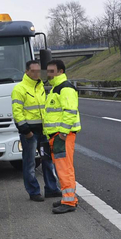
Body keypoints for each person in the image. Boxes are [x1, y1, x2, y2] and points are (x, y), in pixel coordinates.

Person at [11, 60, 60, 202]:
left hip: (44, 132)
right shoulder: (19, 89)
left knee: (47, 161)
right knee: (30, 163)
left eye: (39, 71)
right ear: (27, 71)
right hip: (30, 134)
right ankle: (33, 191)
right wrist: (26, 131)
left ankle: (51, 189)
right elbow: (17, 112)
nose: (37, 74)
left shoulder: (40, 87)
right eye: (34, 71)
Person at [44, 60, 82, 214]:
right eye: (48, 71)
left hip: (62, 136)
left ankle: (69, 202)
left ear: (60, 71)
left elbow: (70, 111)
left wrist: (63, 134)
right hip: (58, 135)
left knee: (64, 169)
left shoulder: (64, 88)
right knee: (64, 168)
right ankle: (69, 198)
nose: (48, 74)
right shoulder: (56, 89)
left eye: (51, 71)